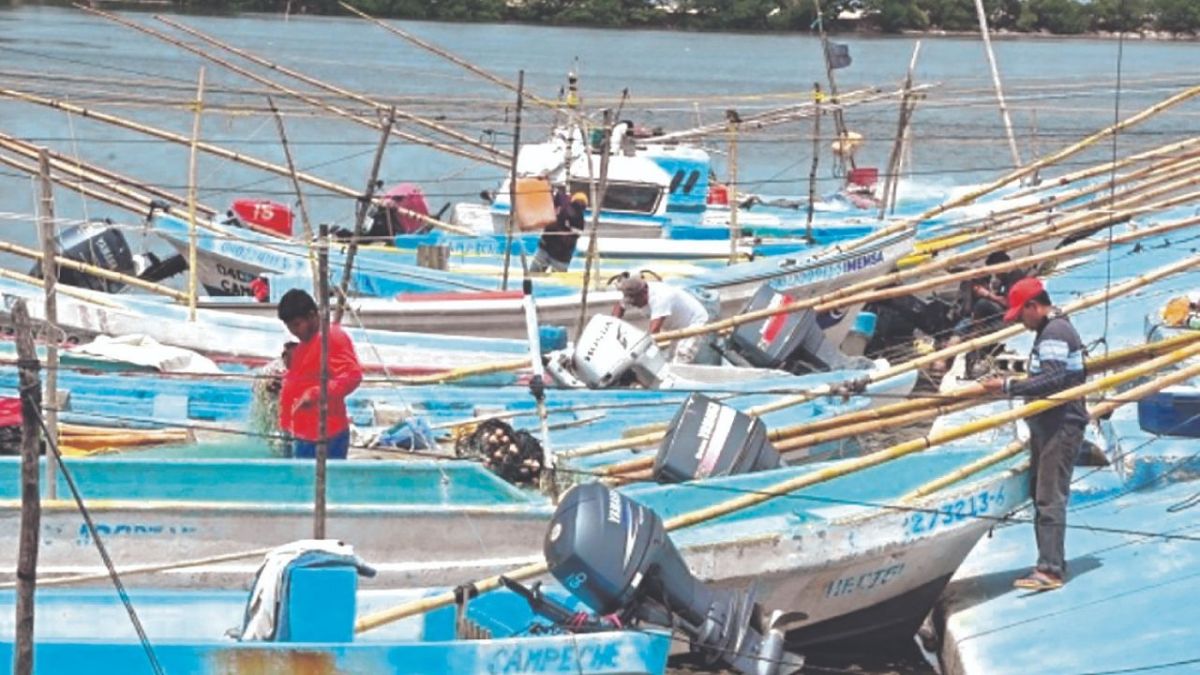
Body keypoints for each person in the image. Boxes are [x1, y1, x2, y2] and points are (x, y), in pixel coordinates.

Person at [977, 277, 1087, 592]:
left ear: (1033, 306)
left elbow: (1053, 379)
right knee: (1042, 492)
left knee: (1050, 496)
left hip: (1060, 426)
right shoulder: (1050, 330)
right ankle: (1049, 561)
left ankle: (1051, 569)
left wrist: (1009, 387)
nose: (1021, 322)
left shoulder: (1054, 333)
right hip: (1047, 426)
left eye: (1021, 314)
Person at [277, 289, 363, 460]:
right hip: (301, 434)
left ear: (312, 315)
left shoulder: (332, 336)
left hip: (325, 435)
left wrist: (316, 393)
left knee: (320, 484)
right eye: (290, 327)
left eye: (297, 325)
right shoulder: (303, 345)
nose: (294, 332)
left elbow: (352, 376)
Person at [613, 276, 710, 363]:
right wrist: (612, 328)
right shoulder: (633, 294)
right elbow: (619, 307)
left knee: (682, 355)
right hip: (675, 327)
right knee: (670, 358)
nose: (635, 305)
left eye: (636, 302)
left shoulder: (660, 297)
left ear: (643, 293)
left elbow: (654, 332)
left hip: (694, 322)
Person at [530, 191, 587, 273]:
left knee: (533, 275)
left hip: (549, 248)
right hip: (559, 255)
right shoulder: (579, 218)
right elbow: (575, 235)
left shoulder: (563, 206)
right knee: (556, 281)